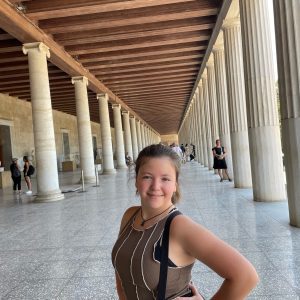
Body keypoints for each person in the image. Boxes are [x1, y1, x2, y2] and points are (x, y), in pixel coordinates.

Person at [112, 144, 258, 299]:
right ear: (136, 180)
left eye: (165, 179)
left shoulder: (179, 226)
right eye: (147, 177)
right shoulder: (130, 216)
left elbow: (246, 276)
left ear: (175, 185)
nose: (156, 186)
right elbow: (122, 279)